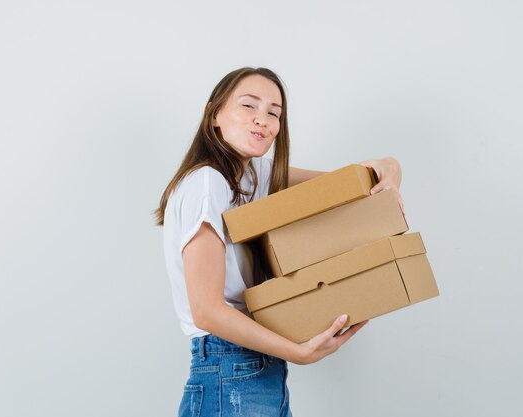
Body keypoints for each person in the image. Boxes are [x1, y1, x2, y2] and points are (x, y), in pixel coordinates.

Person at [155, 67, 403, 417]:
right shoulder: (207, 182)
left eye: (273, 113)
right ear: (215, 115)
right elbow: (207, 311)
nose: (262, 120)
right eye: (248, 106)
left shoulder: (254, 176)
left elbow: (350, 182)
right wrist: (297, 352)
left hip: (253, 369)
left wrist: (389, 167)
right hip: (230, 367)